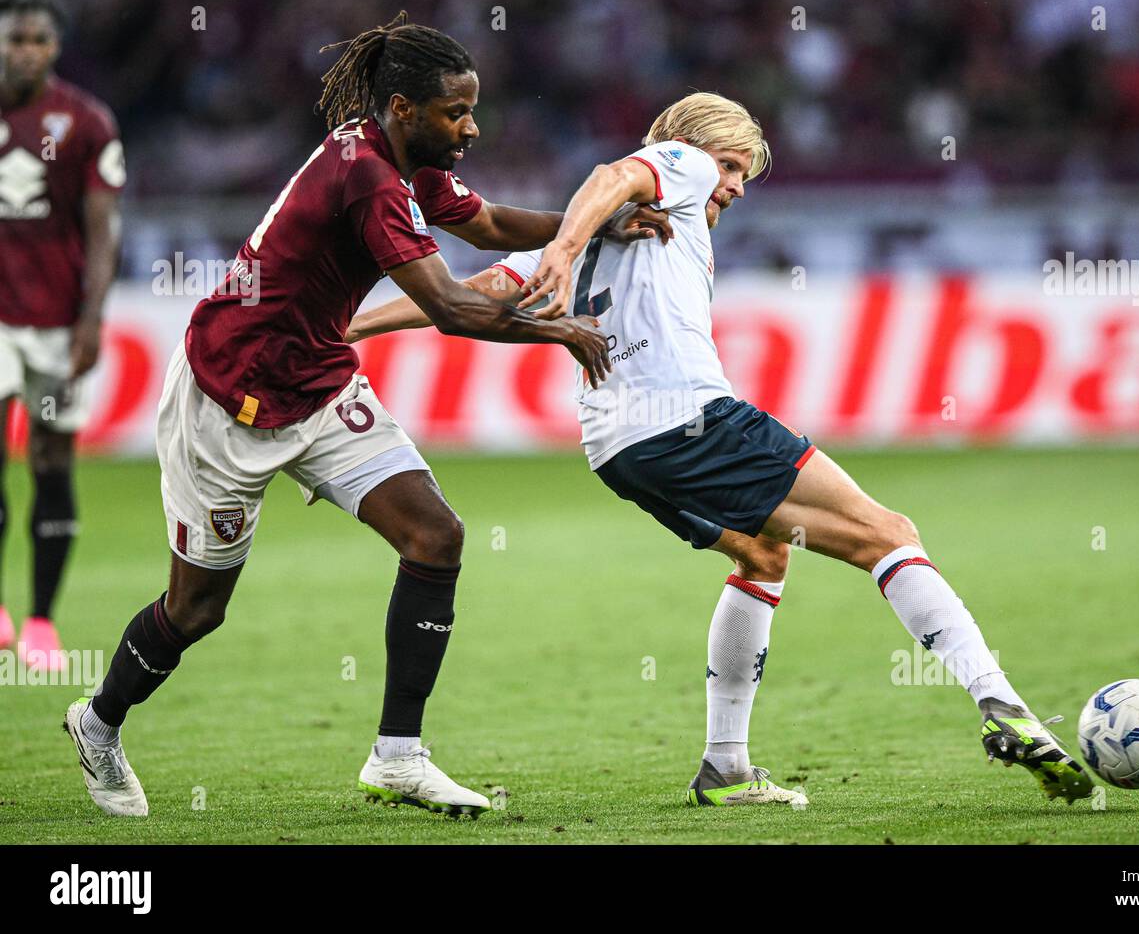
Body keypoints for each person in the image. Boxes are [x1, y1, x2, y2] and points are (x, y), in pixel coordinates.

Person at [347, 92, 1095, 807]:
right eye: (734, 166)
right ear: (694, 144)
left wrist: (348, 330)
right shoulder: (676, 165)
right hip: (691, 420)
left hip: (617, 448)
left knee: (765, 555)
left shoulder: (622, 225)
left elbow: (473, 290)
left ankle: (726, 768)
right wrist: (568, 247)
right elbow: (613, 174)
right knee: (890, 535)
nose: (735, 187)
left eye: (741, 175)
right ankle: (1004, 705)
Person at [61, 13, 653, 819]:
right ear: (404, 108)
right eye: (457, 112)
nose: (472, 127)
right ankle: (97, 723)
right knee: (196, 610)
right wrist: (557, 328)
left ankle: (398, 756)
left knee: (435, 535)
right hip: (228, 398)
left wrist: (593, 225)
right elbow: (447, 305)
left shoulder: (404, 157)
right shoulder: (369, 178)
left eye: (473, 109)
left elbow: (484, 225)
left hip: (318, 386)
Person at [0, 0, 123, 669]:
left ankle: (42, 619)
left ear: (55, 47)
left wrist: (91, 318)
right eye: (15, 38)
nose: (25, 51)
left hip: (53, 323)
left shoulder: (84, 121)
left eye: (37, 41)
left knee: (51, 463)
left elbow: (103, 232)